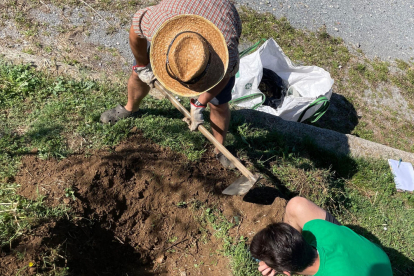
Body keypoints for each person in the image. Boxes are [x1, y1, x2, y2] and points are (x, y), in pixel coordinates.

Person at [100, 0, 242, 169]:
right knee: (138, 74)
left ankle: (220, 149)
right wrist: (141, 65)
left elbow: (225, 76)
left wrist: (200, 102)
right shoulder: (157, 22)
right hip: (178, 17)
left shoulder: (226, 53)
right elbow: (135, 29)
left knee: (218, 103)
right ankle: (129, 108)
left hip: (219, 14)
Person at [250, 197, 392, 276]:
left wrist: (281, 263)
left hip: (377, 268)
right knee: (296, 205)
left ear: (287, 272)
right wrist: (280, 258)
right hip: (375, 259)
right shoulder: (317, 228)